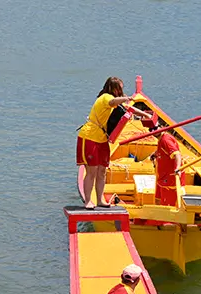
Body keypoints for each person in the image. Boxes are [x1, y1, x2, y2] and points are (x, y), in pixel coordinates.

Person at [77, 77, 151, 210]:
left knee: (102, 171)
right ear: (113, 88)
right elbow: (112, 102)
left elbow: (129, 109)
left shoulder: (117, 102)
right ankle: (88, 200)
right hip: (89, 137)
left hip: (102, 139)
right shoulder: (106, 97)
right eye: (120, 89)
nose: (121, 91)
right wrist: (126, 98)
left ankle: (100, 199)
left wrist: (145, 115)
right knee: (91, 171)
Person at [152, 131, 185, 207]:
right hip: (162, 177)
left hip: (169, 180)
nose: (153, 132)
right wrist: (155, 153)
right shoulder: (162, 139)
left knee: (168, 205)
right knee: (158, 199)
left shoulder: (165, 140)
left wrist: (177, 169)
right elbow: (164, 149)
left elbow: (177, 154)